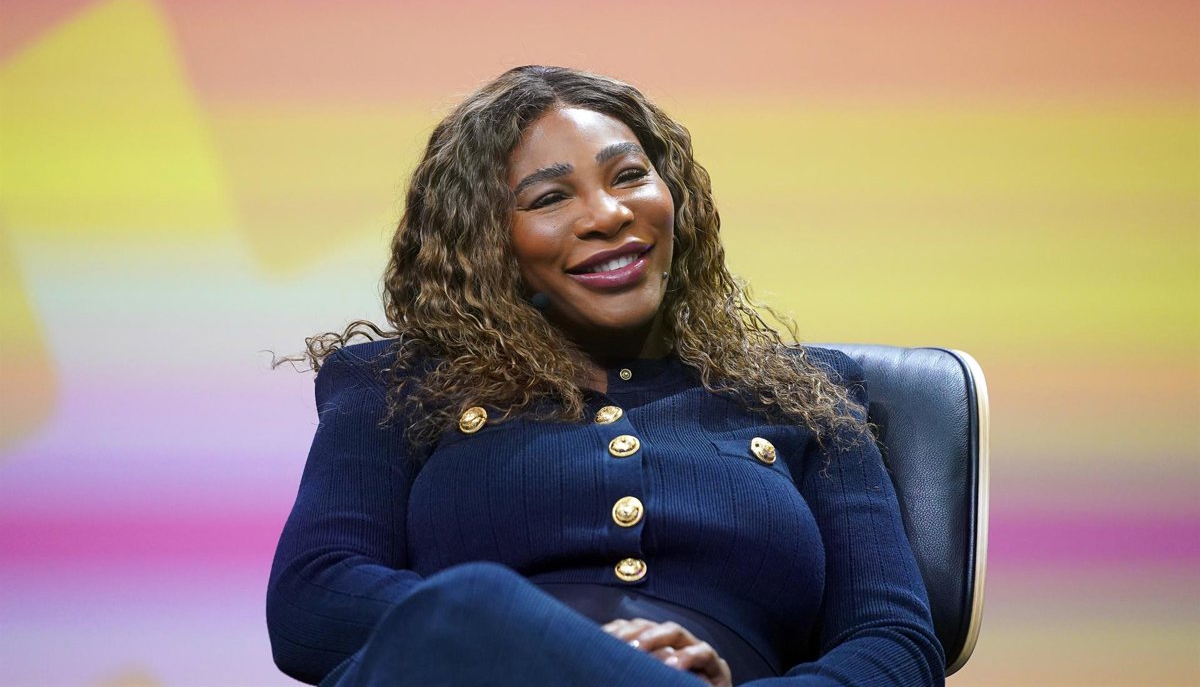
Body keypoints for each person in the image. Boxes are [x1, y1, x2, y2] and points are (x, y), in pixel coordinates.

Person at [267, 65, 944, 686]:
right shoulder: (396, 383)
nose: (608, 215)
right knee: (467, 604)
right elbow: (314, 594)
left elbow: (894, 644)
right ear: (489, 244)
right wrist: (566, 647)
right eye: (549, 198)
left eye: (627, 176)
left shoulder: (805, 394)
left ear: (675, 195)